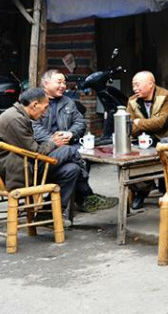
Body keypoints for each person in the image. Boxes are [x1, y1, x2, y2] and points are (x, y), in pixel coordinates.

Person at [0, 87, 84, 226]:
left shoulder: (17, 114)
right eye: (45, 108)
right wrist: (53, 143)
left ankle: (46, 215)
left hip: (21, 166)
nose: (45, 113)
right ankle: (85, 192)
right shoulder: (15, 119)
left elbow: (30, 149)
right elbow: (35, 152)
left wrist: (52, 142)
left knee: (72, 169)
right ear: (34, 105)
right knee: (71, 151)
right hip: (13, 172)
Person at [32, 69, 118, 213]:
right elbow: (32, 125)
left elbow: (80, 122)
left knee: (77, 161)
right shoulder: (35, 101)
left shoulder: (68, 102)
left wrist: (70, 134)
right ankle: (86, 196)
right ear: (46, 84)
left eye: (64, 82)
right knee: (75, 157)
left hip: (68, 144)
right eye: (59, 82)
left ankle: (53, 206)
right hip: (44, 149)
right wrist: (52, 140)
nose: (63, 86)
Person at [127, 71, 168, 209]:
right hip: (141, 140)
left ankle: (164, 187)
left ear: (150, 84)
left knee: (161, 151)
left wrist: (139, 122)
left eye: (137, 85)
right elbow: (130, 128)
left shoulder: (166, 97)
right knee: (127, 159)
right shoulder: (132, 101)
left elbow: (162, 124)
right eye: (133, 85)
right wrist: (143, 124)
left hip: (163, 138)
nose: (134, 89)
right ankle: (142, 190)